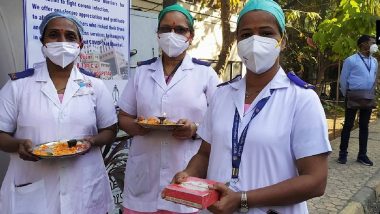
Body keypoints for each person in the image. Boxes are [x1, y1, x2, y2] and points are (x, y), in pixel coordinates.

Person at [172, 0, 332, 213]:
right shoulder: (222, 95)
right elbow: (205, 154)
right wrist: (189, 173)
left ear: (282, 41)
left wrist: (243, 199)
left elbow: (316, 180)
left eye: (266, 33)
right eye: (246, 35)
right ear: (237, 41)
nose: (255, 41)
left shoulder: (302, 99)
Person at [0, 11, 117, 213]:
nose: (62, 41)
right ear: (43, 42)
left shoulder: (95, 85)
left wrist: (93, 141)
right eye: (54, 35)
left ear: (80, 44)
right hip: (32, 186)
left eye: (70, 36)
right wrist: (18, 145)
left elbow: (110, 129)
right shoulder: (18, 86)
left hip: (84, 186)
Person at [117, 4, 220, 214]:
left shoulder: (205, 74)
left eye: (180, 29)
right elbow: (124, 117)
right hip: (145, 175)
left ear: (190, 36)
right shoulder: (142, 72)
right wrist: (140, 127)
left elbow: (220, 122)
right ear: (158, 34)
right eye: (166, 29)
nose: (172, 34)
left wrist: (195, 129)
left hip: (186, 171)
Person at [337, 35, 378, 166]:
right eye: (372, 42)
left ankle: (362, 155)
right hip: (352, 97)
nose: (374, 45)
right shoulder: (351, 60)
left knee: (364, 126)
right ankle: (342, 154)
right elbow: (343, 80)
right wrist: (346, 94)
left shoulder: (375, 61)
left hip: (368, 97)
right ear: (363, 44)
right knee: (348, 125)